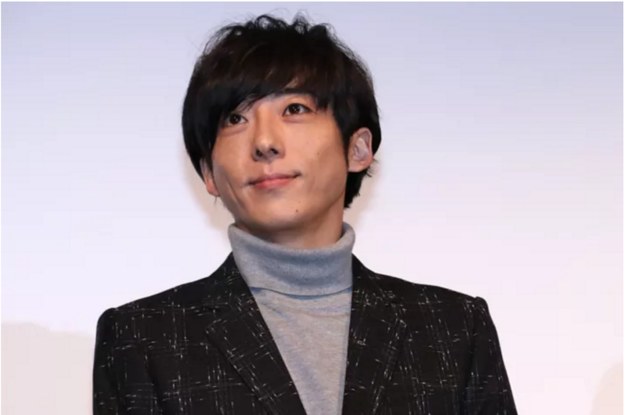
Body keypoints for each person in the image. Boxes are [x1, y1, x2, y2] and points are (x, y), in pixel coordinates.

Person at [93, 14, 517, 415]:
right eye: (235, 118)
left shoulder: (453, 328)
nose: (264, 142)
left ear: (358, 149)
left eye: (294, 109)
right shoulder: (143, 338)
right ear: (208, 173)